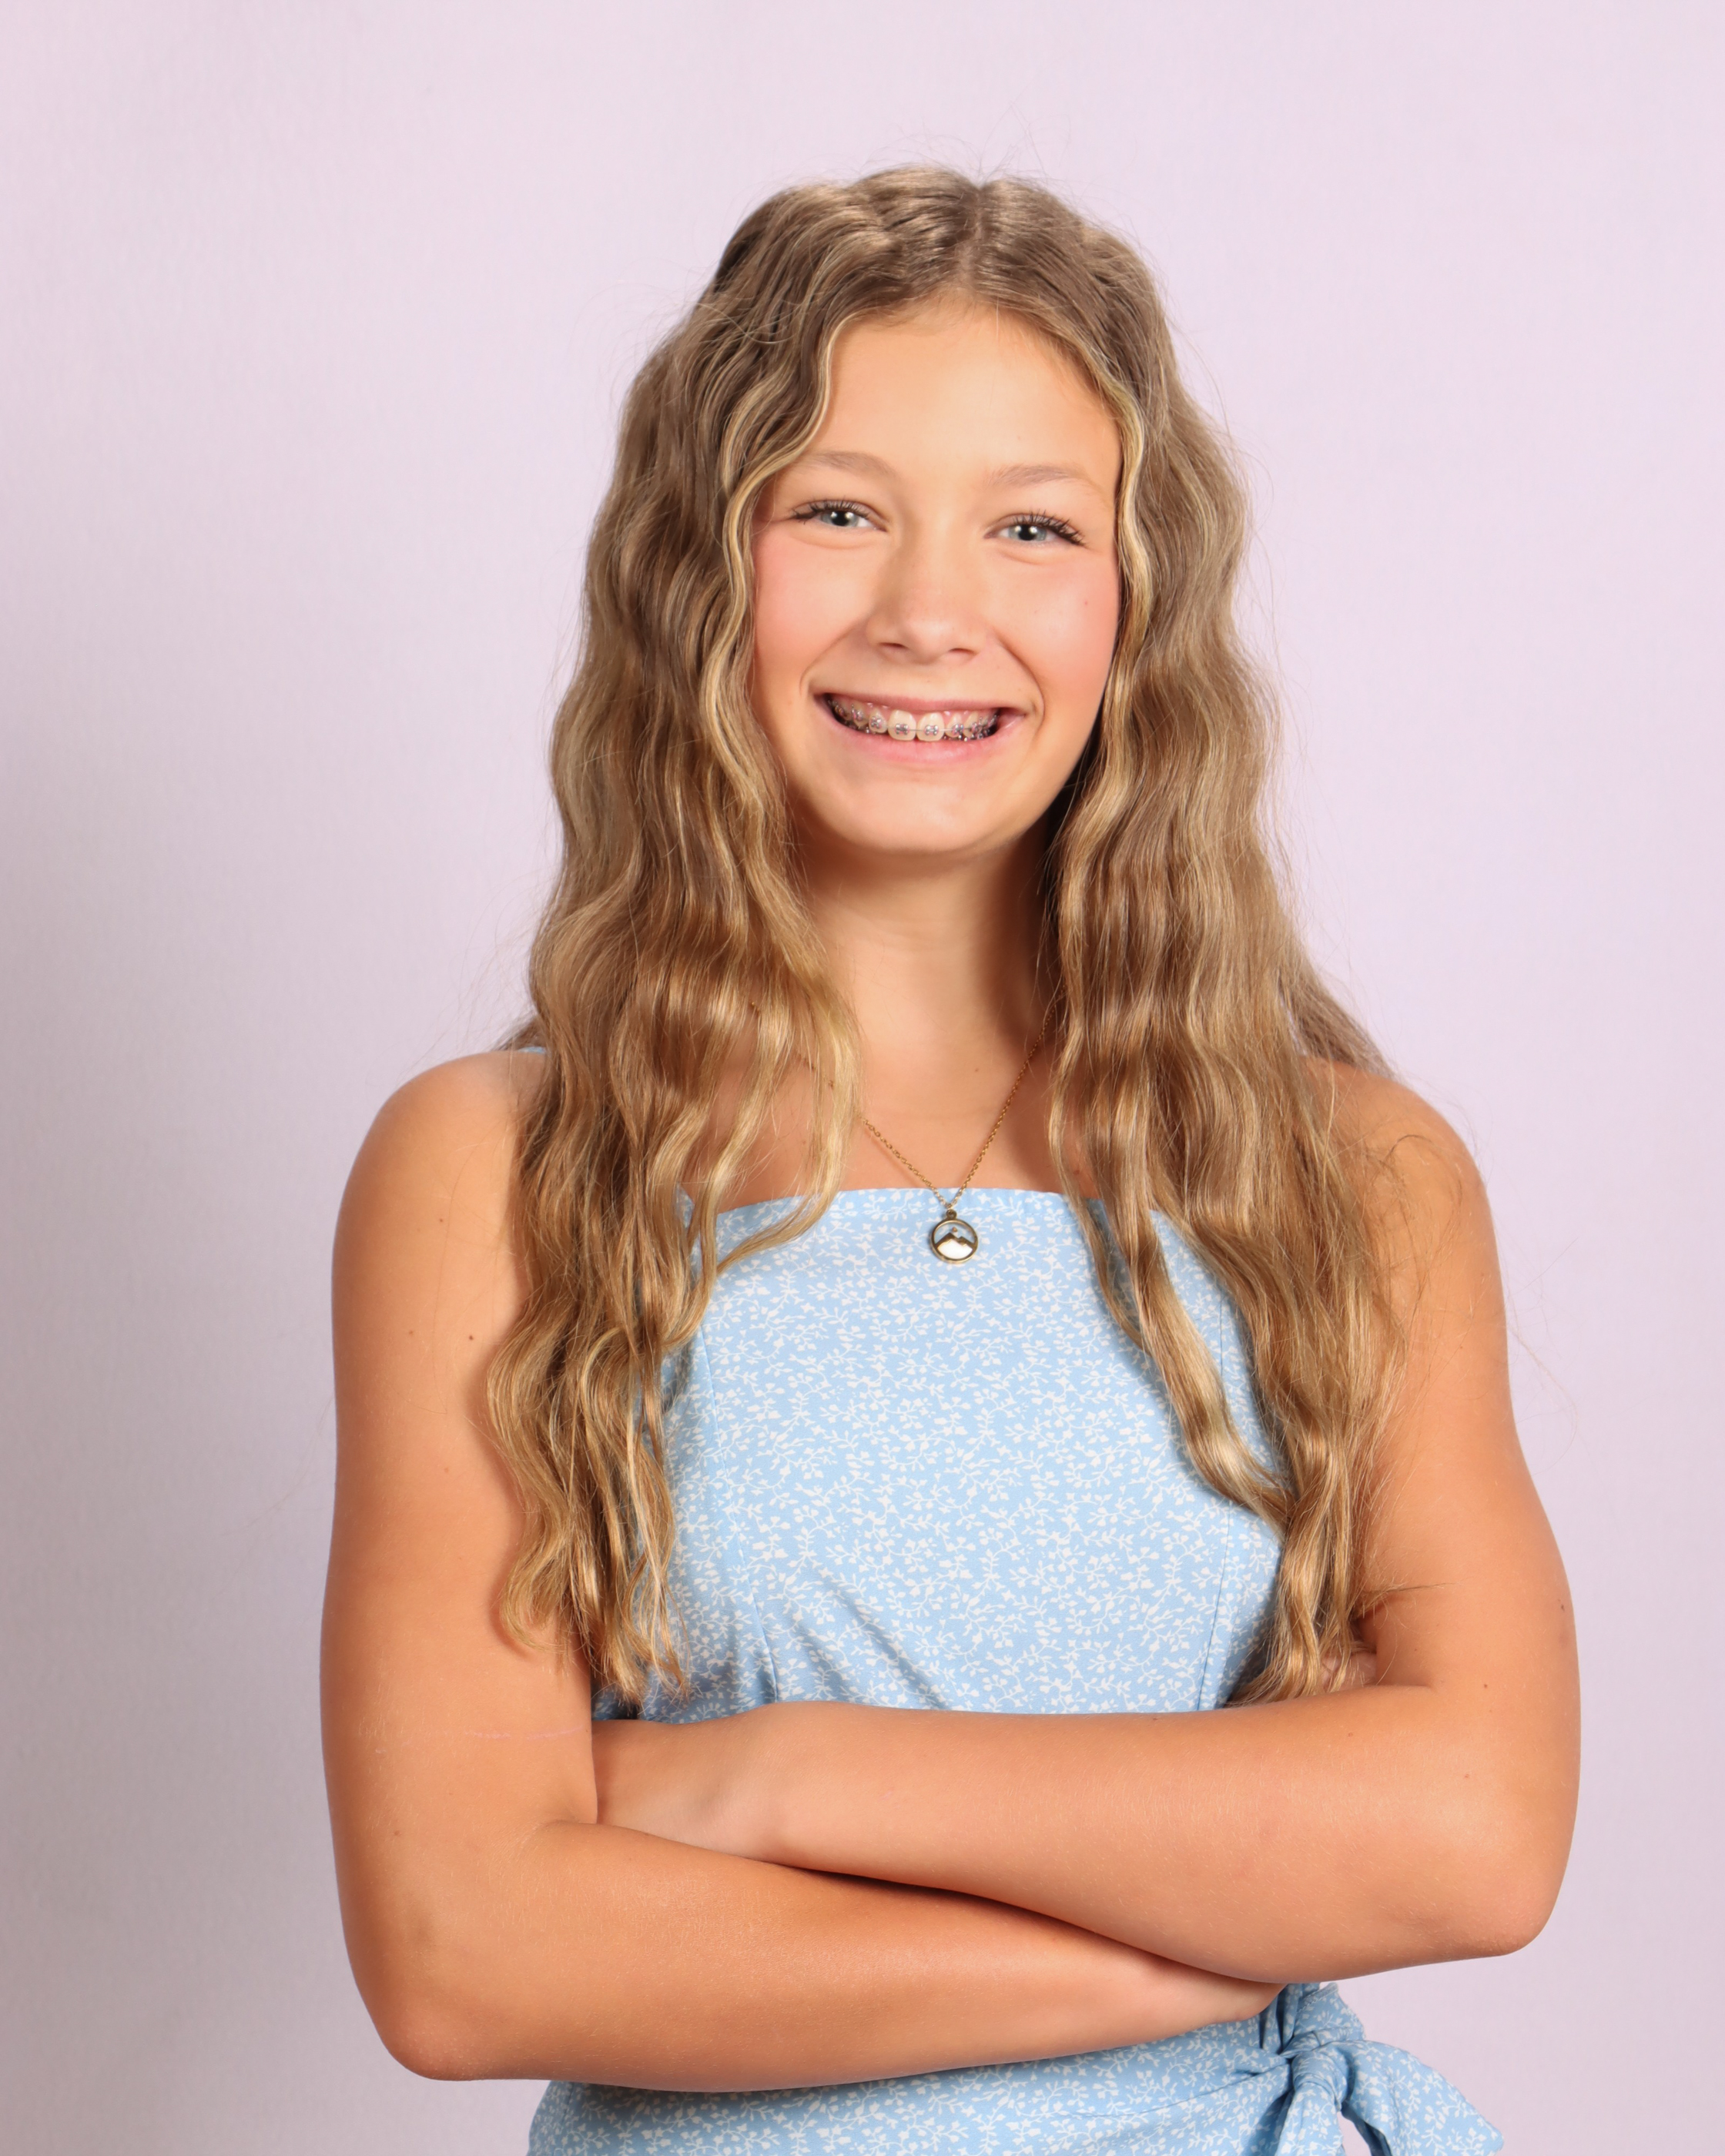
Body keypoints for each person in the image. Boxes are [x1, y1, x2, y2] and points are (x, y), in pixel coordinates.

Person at [321, 169, 1579, 2154]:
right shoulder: (501, 1173)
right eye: (837, 510)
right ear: (696, 572)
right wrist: (1185, 1948)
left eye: (1033, 527)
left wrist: (778, 1777)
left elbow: (1477, 1834)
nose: (930, 612)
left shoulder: (1348, 1176)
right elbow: (463, 1950)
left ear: (1134, 601)